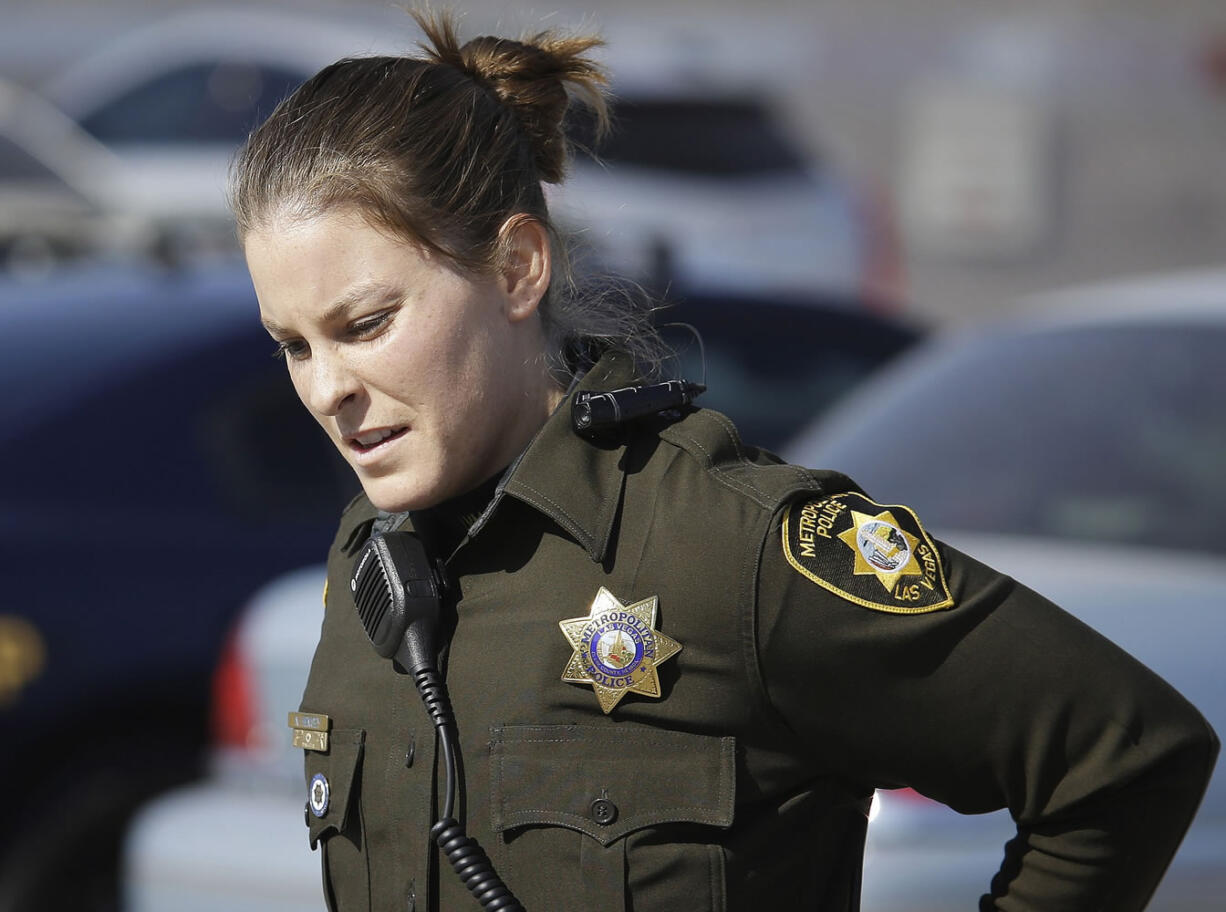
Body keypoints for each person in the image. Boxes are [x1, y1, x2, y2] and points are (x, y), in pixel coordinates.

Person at [231, 11, 1218, 912]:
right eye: (294, 345)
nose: (327, 389)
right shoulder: (372, 560)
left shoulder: (730, 546)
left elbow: (1123, 755)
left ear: (515, 268)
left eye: (364, 324)